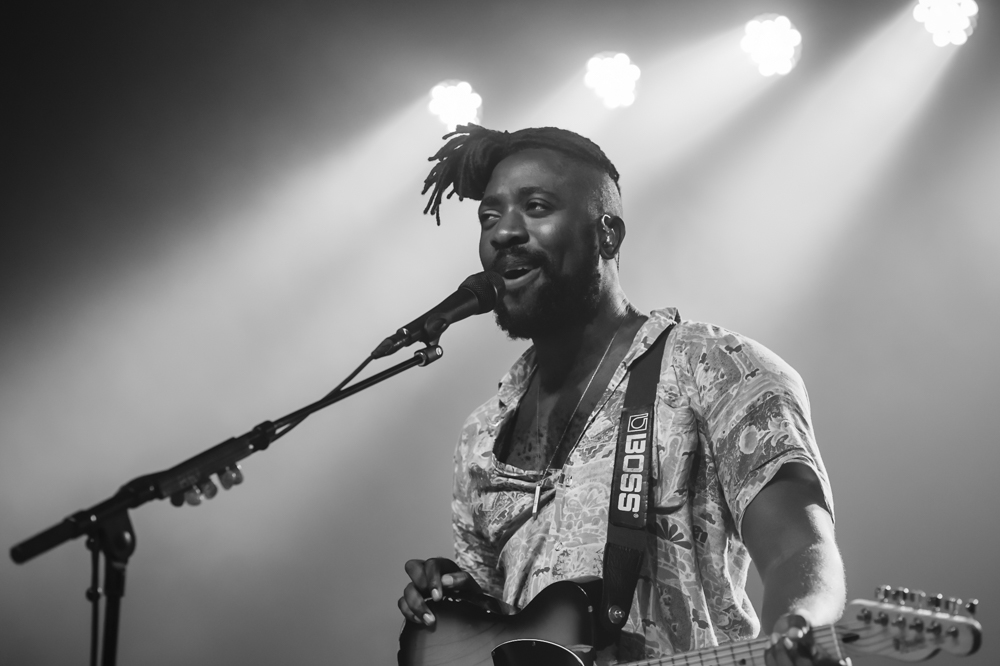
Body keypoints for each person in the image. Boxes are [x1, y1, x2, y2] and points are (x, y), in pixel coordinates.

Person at [398, 125, 846, 666]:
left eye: (536, 207)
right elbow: (502, 637)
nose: (504, 232)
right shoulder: (482, 433)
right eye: (489, 217)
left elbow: (799, 546)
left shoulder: (710, 366)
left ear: (607, 235)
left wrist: (801, 625)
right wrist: (455, 603)